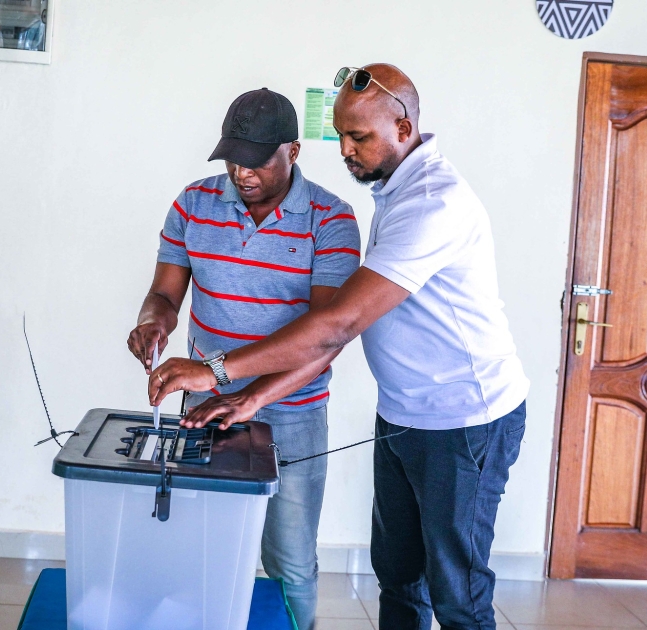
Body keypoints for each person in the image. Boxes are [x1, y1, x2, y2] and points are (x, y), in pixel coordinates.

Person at [149, 65, 529, 630]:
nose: (346, 150)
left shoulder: (432, 202)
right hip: (404, 412)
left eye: (359, 137)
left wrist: (216, 372)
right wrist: (244, 397)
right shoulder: (393, 189)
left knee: (458, 596)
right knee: (399, 576)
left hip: (462, 419)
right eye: (342, 136)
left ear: (403, 125)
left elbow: (334, 327)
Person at [126, 87, 361, 630]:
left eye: (256, 159)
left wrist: (221, 374)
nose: (241, 171)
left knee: (291, 562)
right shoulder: (193, 203)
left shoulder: (332, 220)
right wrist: (152, 323)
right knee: (200, 546)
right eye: (232, 157)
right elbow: (165, 294)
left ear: (293, 152)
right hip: (204, 407)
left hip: (293, 413)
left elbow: (325, 339)